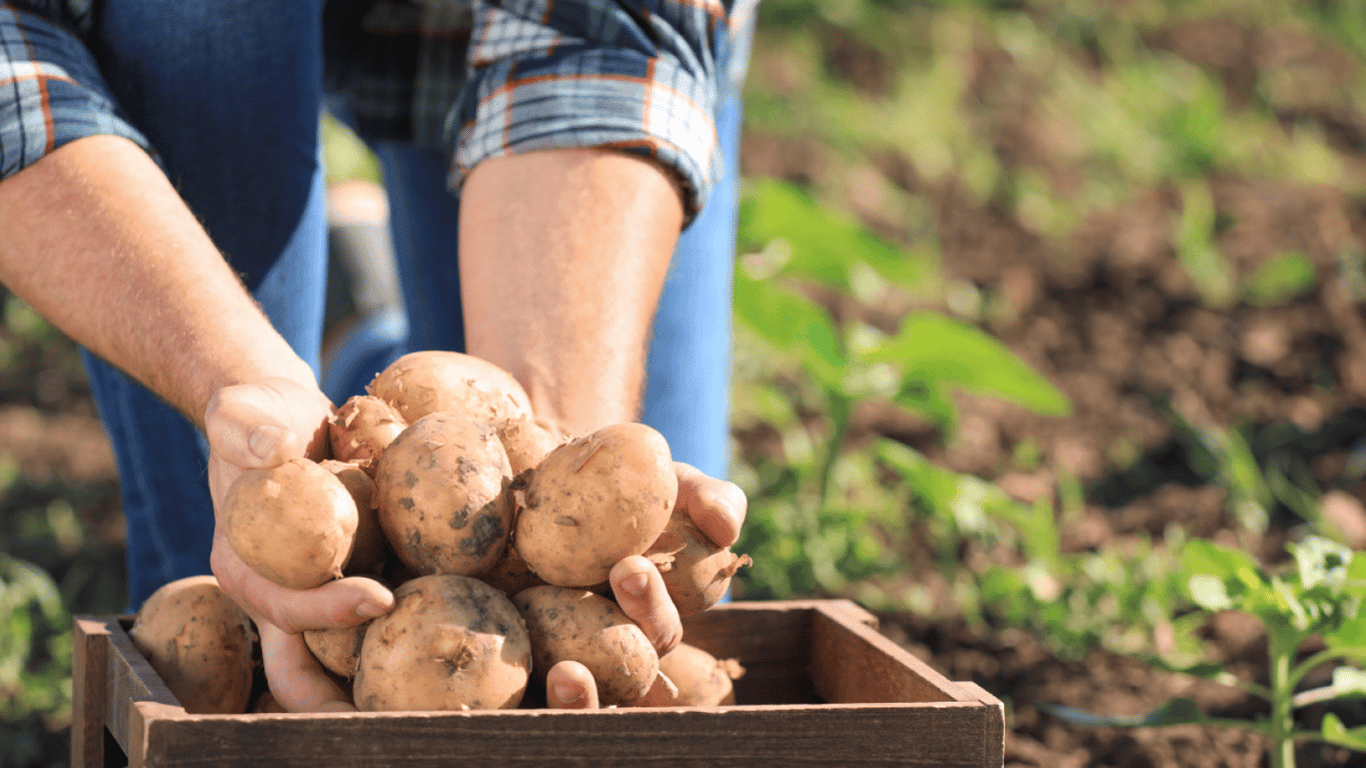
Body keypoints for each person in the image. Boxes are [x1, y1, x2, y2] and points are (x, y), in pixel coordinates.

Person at [0, 0, 755, 712]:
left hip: (496, 31)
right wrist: (232, 380)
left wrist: (558, 434)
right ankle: (342, 310)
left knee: (674, 584)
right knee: (226, 599)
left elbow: (610, 38)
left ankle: (357, 312)